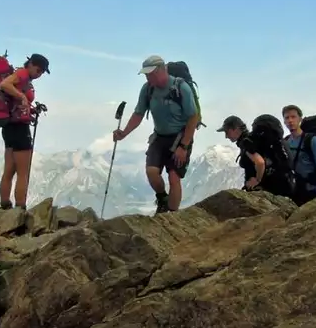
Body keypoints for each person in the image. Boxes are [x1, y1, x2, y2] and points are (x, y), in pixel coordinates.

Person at [113, 55, 200, 214]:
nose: (147, 77)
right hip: (160, 136)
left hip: (180, 137)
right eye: (146, 74)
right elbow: (139, 113)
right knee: (151, 172)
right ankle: (162, 200)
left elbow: (193, 117)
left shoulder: (180, 88)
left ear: (161, 70)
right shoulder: (148, 89)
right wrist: (124, 133)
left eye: (150, 74)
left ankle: (172, 216)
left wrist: (184, 146)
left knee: (174, 177)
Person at [0, 53, 50, 210]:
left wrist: (30, 111)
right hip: (19, 128)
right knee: (22, 172)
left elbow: (15, 103)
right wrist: (23, 97)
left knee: (9, 170)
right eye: (38, 70)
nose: (39, 74)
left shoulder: (22, 76)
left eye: (41, 72)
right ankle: (20, 209)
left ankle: (4, 205)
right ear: (30, 64)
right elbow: (5, 84)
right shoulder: (22, 74)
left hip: (9, 126)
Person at [217, 114, 294, 198]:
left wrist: (257, 180)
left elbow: (260, 162)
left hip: (267, 188)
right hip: (280, 185)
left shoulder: (247, 142)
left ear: (236, 129)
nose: (226, 136)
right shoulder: (254, 140)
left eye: (227, 132)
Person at [282, 104, 316, 206]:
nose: (290, 120)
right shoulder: (285, 142)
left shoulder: (312, 140)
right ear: (284, 121)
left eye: (293, 117)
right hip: (295, 191)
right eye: (287, 118)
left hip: (312, 191)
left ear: (300, 119)